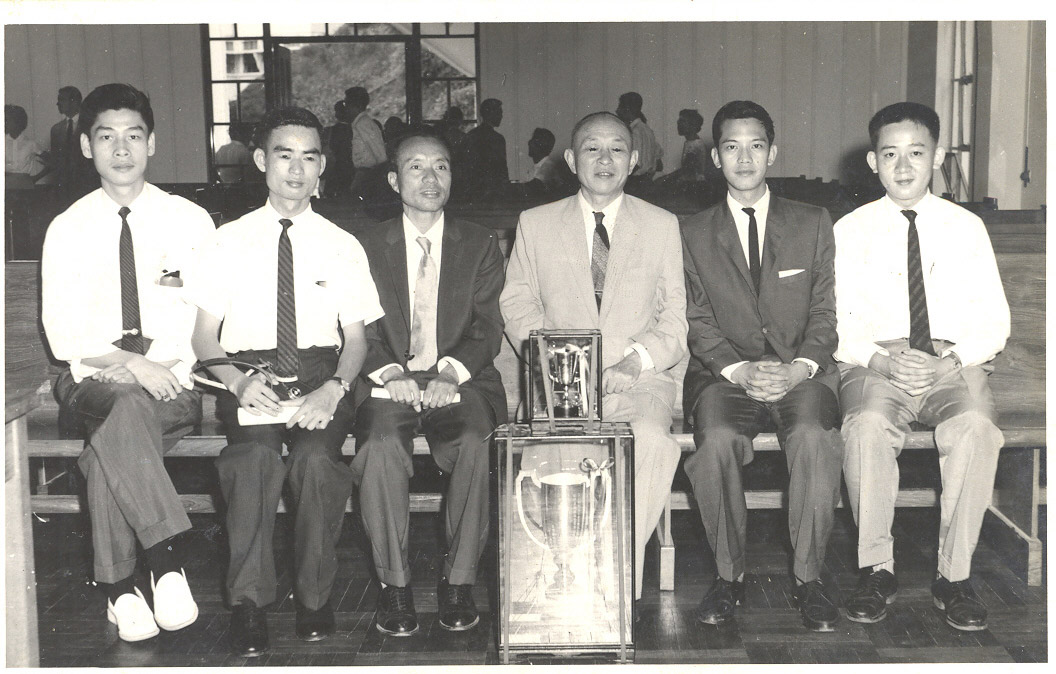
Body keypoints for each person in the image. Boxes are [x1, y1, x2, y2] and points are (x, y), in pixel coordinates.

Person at [187, 106, 383, 656]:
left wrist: (334, 389)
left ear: (323, 167)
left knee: (316, 461)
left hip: (323, 373)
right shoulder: (226, 240)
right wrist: (236, 382)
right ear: (259, 161)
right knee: (251, 462)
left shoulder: (344, 243)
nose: (296, 169)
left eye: (310, 157)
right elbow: (205, 339)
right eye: (283, 154)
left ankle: (315, 597)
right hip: (250, 374)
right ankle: (249, 604)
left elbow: (358, 341)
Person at [40, 83, 214, 643]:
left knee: (109, 444)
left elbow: (205, 314)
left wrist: (153, 366)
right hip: (90, 377)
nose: (121, 148)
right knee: (118, 400)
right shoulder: (67, 228)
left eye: (133, 136)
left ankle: (118, 588)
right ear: (87, 147)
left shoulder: (189, 220)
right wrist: (127, 364)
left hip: (174, 379)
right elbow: (63, 331)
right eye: (106, 136)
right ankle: (165, 560)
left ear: (152, 143)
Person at [834, 102, 1010, 632]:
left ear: (936, 157)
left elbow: (995, 322)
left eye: (916, 153)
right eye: (890, 154)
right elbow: (835, 322)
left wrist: (948, 361)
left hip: (950, 362)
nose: (904, 166)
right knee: (864, 426)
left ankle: (954, 576)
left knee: (977, 428)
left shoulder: (966, 227)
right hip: (875, 362)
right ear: (872, 162)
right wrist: (883, 360)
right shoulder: (850, 228)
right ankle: (877, 569)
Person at [500, 111, 687, 606]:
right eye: (591, 148)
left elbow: (675, 319)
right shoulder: (536, 224)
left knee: (649, 439)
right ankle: (559, 576)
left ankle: (616, 575)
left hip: (638, 378)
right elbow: (517, 305)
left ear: (635, 159)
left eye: (617, 149)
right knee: (547, 453)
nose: (605, 159)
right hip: (559, 380)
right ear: (570, 159)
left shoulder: (662, 225)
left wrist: (632, 363)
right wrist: (561, 365)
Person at [680, 100, 843, 632]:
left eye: (755, 145)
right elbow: (697, 319)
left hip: (800, 374)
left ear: (772, 152)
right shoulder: (692, 231)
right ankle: (729, 577)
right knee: (716, 444)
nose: (744, 157)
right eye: (731, 146)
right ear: (715, 157)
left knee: (817, 436)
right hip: (725, 377)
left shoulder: (813, 222)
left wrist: (798, 369)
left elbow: (824, 313)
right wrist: (736, 371)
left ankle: (808, 578)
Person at [351, 129, 506, 637]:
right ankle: (394, 586)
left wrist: (449, 372)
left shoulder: (480, 242)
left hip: (458, 378)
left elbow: (488, 325)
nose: (430, 177)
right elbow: (353, 325)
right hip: (387, 379)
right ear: (394, 179)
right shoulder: (366, 243)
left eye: (440, 166)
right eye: (416, 167)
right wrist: (390, 371)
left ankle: (458, 580)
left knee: (474, 442)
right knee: (378, 445)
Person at [46, 85, 95, 202]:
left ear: (74, 101)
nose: (57, 104)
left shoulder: (90, 125)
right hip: (63, 188)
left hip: (87, 186)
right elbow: (56, 160)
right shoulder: (56, 129)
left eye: (61, 100)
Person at [454, 98, 509, 199]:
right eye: (499, 112)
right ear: (491, 113)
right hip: (492, 194)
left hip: (472, 193)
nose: (501, 116)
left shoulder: (470, 136)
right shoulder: (497, 138)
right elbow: (501, 170)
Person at [345, 86, 387, 198]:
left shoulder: (363, 124)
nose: (346, 109)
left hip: (367, 174)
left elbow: (379, 152)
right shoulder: (359, 123)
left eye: (347, 105)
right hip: (363, 173)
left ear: (356, 106)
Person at [616, 92, 662, 192]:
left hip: (635, 184)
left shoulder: (634, 132)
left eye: (620, 106)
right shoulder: (647, 130)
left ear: (627, 109)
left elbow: (636, 163)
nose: (617, 111)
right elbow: (659, 163)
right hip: (646, 181)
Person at [656, 109, 708, 192]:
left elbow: (687, 170)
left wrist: (665, 178)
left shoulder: (695, 145)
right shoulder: (690, 143)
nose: (678, 124)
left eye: (682, 121)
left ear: (692, 125)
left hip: (694, 186)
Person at [5, 104, 47, 188]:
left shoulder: (30, 144)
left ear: (18, 122)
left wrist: (35, 178)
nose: (4, 123)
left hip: (24, 186)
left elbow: (52, 162)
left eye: (7, 120)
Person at [322, 101, 353, 197]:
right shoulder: (354, 128)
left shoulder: (332, 130)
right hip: (351, 168)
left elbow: (331, 147)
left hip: (337, 167)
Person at [525, 127, 562, 193]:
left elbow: (535, 186)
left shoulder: (549, 167)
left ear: (542, 145)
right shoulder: (534, 168)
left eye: (533, 140)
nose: (529, 142)